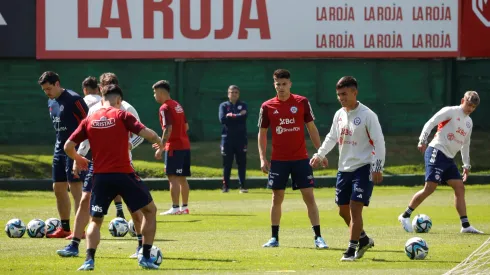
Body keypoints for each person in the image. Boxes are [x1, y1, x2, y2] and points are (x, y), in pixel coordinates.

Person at [65, 84, 162, 270]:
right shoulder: (123, 115)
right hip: (125, 174)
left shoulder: (90, 118)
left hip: (100, 176)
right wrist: (160, 142)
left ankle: (89, 260)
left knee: (95, 220)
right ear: (119, 101)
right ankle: (146, 257)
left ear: (102, 99)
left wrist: (78, 158)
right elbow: (147, 134)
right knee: (150, 211)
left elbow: (68, 146)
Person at [57, 73, 146, 259]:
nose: (108, 87)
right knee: (84, 200)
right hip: (98, 164)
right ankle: (74, 244)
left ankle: (140, 245)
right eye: (105, 84)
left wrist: (129, 145)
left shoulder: (127, 107)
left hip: (123, 164)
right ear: (100, 87)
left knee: (134, 206)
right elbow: (86, 134)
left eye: (112, 84)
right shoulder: (95, 108)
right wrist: (78, 156)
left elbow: (140, 132)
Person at [310, 76, 384, 261]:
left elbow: (379, 143)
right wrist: (320, 155)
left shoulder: (368, 115)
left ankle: (351, 249)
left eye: (344, 94)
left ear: (354, 92)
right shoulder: (339, 114)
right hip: (344, 169)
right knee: (343, 211)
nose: (341, 98)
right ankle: (364, 239)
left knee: (354, 207)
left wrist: (377, 166)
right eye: (338, 95)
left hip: (364, 167)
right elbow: (332, 137)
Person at [258, 69, 328, 249]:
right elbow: (262, 133)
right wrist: (262, 158)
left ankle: (318, 237)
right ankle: (274, 238)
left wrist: (321, 152)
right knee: (277, 197)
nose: (281, 87)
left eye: (284, 84)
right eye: (277, 84)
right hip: (279, 161)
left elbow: (311, 128)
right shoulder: (267, 106)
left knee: (309, 197)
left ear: (290, 84)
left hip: (300, 159)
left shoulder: (302, 102)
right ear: (274, 85)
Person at [398, 91, 483, 234]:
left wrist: (466, 165)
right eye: (468, 104)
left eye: (473, 107)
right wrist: (422, 140)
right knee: (430, 187)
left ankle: (466, 225)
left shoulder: (469, 122)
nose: (470, 109)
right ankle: (405, 216)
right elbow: (431, 122)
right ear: (462, 100)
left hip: (449, 158)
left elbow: (465, 144)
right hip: (436, 151)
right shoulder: (450, 111)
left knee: (459, 187)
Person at [39, 71, 89, 238]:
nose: (47, 92)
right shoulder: (50, 102)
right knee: (58, 188)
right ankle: (65, 228)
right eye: (44, 90)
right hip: (59, 149)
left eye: (49, 88)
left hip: (74, 149)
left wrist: (81, 151)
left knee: (75, 189)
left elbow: (88, 123)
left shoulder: (74, 99)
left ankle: (80, 230)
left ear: (57, 84)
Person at [152, 80, 191, 215]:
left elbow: (168, 128)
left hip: (174, 148)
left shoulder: (164, 108)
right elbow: (186, 127)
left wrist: (161, 147)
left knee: (172, 177)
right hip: (184, 145)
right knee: (182, 178)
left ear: (161, 93)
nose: (154, 95)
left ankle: (175, 208)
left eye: (155, 92)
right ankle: (184, 207)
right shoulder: (177, 105)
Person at [218, 85, 248, 193]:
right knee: (227, 163)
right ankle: (225, 187)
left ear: (238, 94)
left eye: (236, 92)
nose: (234, 94)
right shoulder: (223, 105)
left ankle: (242, 186)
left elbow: (244, 117)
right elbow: (222, 119)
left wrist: (232, 116)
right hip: (227, 139)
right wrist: (238, 115)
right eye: (232, 92)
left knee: (242, 163)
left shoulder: (243, 105)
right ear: (228, 94)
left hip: (241, 138)